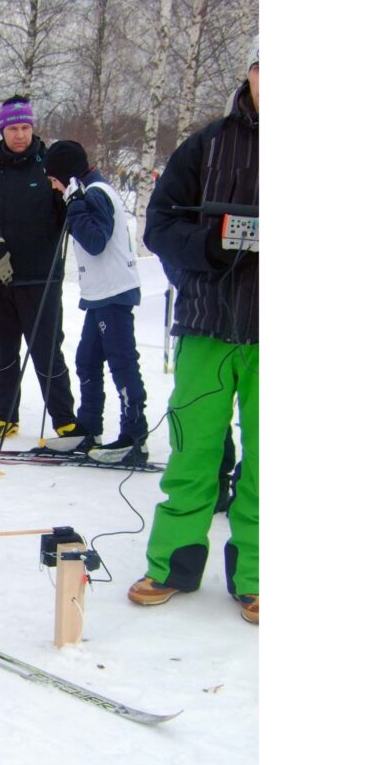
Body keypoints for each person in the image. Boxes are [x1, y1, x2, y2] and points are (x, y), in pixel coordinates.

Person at [129, 36, 259, 624]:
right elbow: (159, 225)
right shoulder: (207, 145)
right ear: (252, 73)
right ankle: (173, 565)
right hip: (208, 328)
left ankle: (257, 575)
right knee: (194, 454)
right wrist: (207, 245)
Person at [0, 96, 80, 443]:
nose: (20, 135)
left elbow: (73, 213)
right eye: (13, 128)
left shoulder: (50, 168)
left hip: (41, 277)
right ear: (2, 130)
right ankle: (5, 416)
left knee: (46, 349)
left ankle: (64, 418)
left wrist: (65, 199)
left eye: (25, 127)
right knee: (2, 350)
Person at [41, 140, 148, 463]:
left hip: (113, 292)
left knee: (121, 361)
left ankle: (134, 434)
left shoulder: (95, 193)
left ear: (66, 175)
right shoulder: (88, 192)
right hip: (100, 293)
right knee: (87, 360)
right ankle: (89, 427)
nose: (53, 185)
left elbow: (95, 241)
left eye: (54, 179)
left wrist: (74, 204)